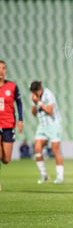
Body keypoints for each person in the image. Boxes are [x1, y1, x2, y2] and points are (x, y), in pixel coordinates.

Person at [30, 81, 64, 184]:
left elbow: (50, 111)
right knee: (37, 149)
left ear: (40, 89)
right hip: (42, 126)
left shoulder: (48, 94)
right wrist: (35, 103)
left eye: (37, 92)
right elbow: (34, 113)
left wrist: (39, 102)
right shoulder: (34, 96)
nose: (36, 94)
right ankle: (44, 174)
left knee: (55, 149)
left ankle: (60, 177)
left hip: (54, 124)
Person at [0, 60, 24, 190]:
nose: (0, 71)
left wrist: (20, 119)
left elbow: (19, 103)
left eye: (3, 68)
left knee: (6, 159)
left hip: (8, 124)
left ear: (6, 71)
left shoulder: (12, 87)